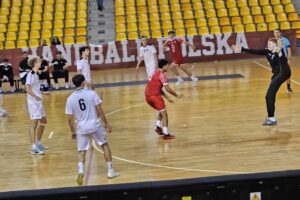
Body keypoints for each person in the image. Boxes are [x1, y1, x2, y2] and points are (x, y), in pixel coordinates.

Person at [65, 74, 119, 185]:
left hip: (81, 127)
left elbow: (70, 119)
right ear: (83, 83)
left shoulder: (70, 98)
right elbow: (100, 111)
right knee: (104, 145)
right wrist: (107, 124)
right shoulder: (92, 94)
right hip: (94, 125)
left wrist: (72, 131)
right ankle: (110, 171)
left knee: (82, 151)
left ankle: (80, 171)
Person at [231, 38, 291, 126]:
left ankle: (272, 119)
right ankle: (271, 118)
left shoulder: (278, 50)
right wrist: (242, 49)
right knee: (269, 96)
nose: (268, 45)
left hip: (284, 71)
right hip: (277, 75)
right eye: (267, 43)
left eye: (270, 44)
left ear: (274, 45)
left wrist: (279, 48)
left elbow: (282, 57)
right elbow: (254, 51)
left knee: (281, 56)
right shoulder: (267, 51)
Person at [145, 59, 182, 139]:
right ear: (164, 66)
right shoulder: (162, 75)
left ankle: (158, 127)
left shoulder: (155, 72)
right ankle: (166, 134)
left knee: (161, 111)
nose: (168, 66)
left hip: (147, 96)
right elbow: (167, 89)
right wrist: (176, 95)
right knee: (165, 114)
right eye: (167, 65)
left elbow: (158, 88)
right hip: (155, 96)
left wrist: (167, 98)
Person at [26, 57, 48, 155]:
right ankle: (33, 147)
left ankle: (38, 143)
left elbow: (35, 89)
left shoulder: (36, 74)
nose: (41, 62)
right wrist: (36, 97)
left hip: (39, 101)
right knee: (34, 123)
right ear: (35, 63)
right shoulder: (30, 75)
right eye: (39, 61)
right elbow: (27, 88)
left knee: (43, 121)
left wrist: (43, 93)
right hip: (33, 103)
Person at [274, 29, 293, 94]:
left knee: (287, 74)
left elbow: (289, 50)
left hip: (284, 60)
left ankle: (288, 87)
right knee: (275, 75)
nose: (276, 34)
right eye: (275, 32)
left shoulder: (285, 40)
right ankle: (273, 88)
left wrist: (289, 59)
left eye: (277, 32)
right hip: (276, 61)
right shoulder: (273, 41)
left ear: (280, 33)